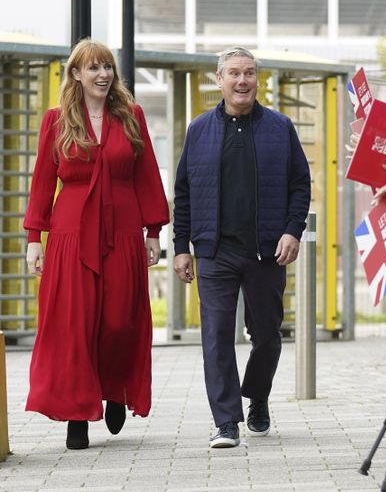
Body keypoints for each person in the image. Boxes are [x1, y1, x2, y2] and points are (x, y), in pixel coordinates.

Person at [24, 39, 169, 450]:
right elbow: (42, 182)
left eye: (107, 67)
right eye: (94, 68)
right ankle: (77, 414)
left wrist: (153, 232)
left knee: (120, 319)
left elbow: (146, 176)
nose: (103, 74)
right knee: (75, 324)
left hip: (122, 229)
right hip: (70, 232)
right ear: (76, 74)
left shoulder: (132, 115)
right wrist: (35, 238)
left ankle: (115, 389)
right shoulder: (56, 120)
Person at [172, 46, 311, 449]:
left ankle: (259, 396)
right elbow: (183, 193)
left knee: (266, 334)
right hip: (214, 250)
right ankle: (226, 421)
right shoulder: (199, 129)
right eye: (234, 73)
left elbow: (300, 184)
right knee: (215, 336)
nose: (242, 80)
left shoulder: (280, 127)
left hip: (266, 251)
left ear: (257, 80)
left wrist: (292, 231)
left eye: (249, 73)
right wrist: (182, 246)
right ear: (219, 80)